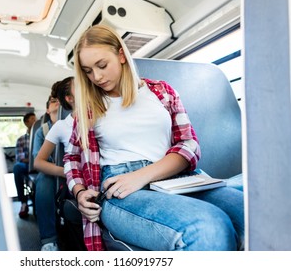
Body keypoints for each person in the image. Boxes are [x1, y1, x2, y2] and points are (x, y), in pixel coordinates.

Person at [63, 24, 244, 251]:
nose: (96, 77)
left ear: (120, 55)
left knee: (253, 213)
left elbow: (188, 145)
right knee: (208, 226)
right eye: (88, 71)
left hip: (177, 178)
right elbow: (71, 158)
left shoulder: (162, 91)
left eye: (102, 65)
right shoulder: (88, 108)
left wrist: (143, 175)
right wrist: (79, 192)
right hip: (121, 189)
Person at [32, 88, 62, 251]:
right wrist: (64, 171)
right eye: (52, 100)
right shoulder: (41, 131)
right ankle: (49, 240)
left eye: (59, 99)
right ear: (47, 109)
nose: (56, 102)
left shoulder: (73, 123)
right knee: (43, 181)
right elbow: (38, 161)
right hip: (51, 172)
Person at [13, 112, 36, 219]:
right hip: (26, 166)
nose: (35, 120)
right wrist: (33, 160)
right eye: (32, 119)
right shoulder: (21, 140)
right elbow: (20, 158)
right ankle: (23, 203)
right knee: (17, 167)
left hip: (38, 165)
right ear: (26, 122)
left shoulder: (40, 136)